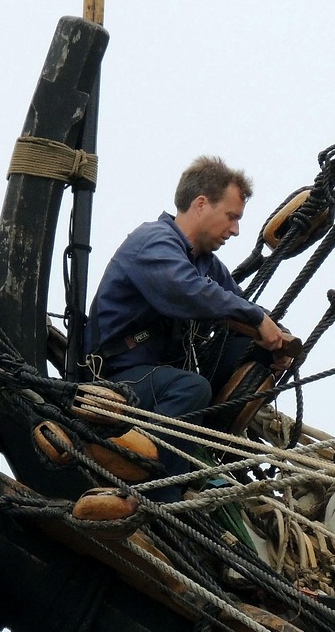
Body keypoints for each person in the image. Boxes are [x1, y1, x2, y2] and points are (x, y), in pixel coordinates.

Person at [86, 156, 287, 501]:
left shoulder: (206, 263)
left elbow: (240, 305)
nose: (236, 230)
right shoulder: (153, 242)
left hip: (160, 375)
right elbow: (186, 290)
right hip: (118, 376)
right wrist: (257, 320)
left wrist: (279, 340)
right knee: (192, 388)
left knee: (249, 347)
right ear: (201, 204)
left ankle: (200, 455)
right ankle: (155, 487)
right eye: (232, 217)